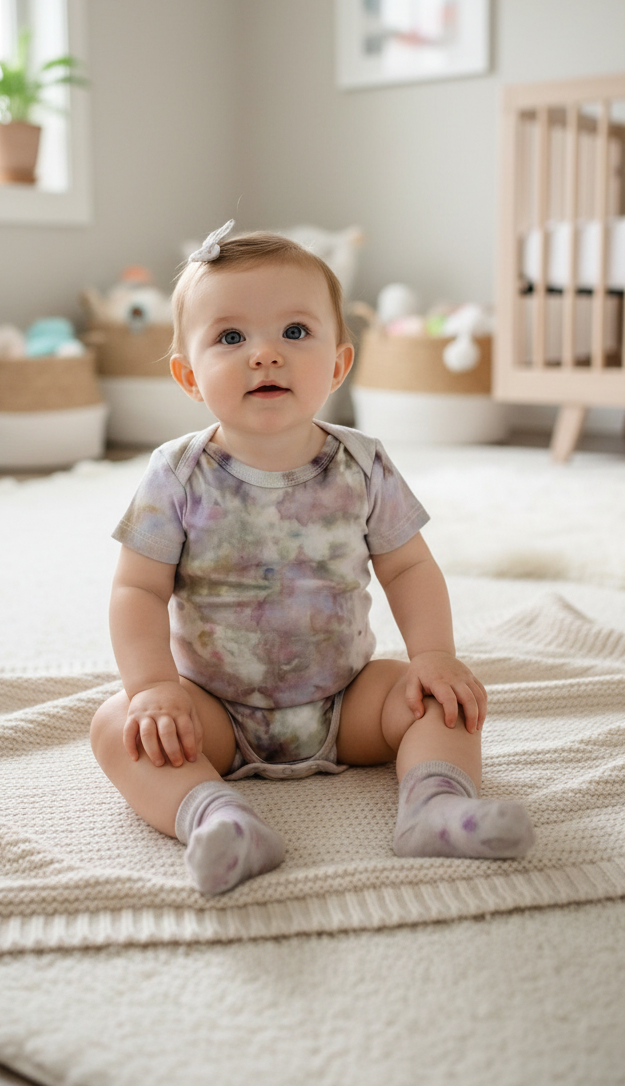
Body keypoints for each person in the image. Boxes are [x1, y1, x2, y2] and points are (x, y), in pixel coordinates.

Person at [90, 222, 534, 895]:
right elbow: (138, 590)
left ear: (338, 364)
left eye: (295, 332)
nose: (265, 354)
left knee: (441, 703)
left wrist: (434, 656)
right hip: (213, 712)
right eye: (231, 338)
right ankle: (218, 820)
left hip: (348, 702)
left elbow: (409, 568)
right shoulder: (177, 474)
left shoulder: (363, 463)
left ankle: (435, 806)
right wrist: (153, 687)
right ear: (188, 375)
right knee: (117, 725)